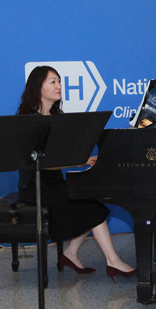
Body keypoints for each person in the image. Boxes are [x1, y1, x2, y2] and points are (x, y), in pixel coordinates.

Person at [17, 66, 136, 281]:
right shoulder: (29, 120)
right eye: (52, 81)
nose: (59, 86)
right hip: (34, 188)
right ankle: (113, 262)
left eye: (59, 81)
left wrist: (81, 160)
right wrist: (77, 162)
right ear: (38, 87)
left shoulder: (55, 116)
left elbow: (60, 156)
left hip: (53, 182)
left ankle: (71, 254)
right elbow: (40, 164)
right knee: (91, 206)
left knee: (91, 202)